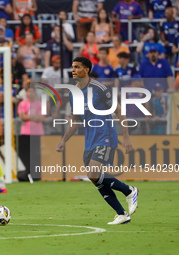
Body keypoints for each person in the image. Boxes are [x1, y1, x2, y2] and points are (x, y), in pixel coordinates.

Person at [56, 56, 138, 225]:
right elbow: (76, 120)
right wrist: (64, 140)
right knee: (95, 179)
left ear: (86, 69)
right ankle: (121, 214)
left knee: (93, 174)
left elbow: (118, 110)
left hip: (105, 136)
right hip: (90, 140)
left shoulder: (99, 88)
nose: (73, 70)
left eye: (77, 67)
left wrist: (126, 136)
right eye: (72, 67)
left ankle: (129, 190)